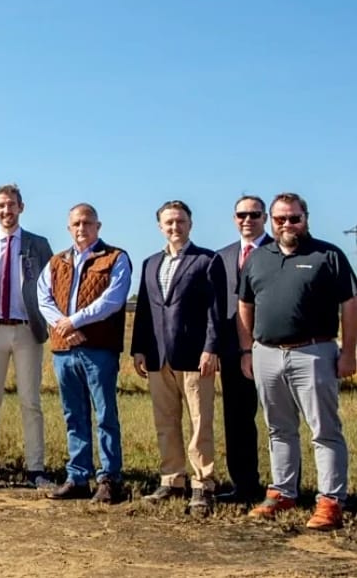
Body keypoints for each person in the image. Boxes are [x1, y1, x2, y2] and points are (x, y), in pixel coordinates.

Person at [239, 192, 356, 531]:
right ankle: (282, 492)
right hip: (267, 354)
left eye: (294, 218)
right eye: (281, 219)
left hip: (314, 352)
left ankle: (330, 500)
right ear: (272, 222)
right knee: (278, 428)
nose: (287, 224)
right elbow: (245, 304)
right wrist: (247, 350)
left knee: (324, 430)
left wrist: (349, 352)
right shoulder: (258, 258)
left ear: (306, 218)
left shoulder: (328, 255)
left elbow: (350, 305)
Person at [130, 200, 226, 512]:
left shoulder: (207, 260)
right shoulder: (150, 263)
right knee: (165, 420)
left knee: (200, 422)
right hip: (158, 356)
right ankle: (172, 479)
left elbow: (215, 310)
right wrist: (139, 348)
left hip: (195, 357)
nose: (175, 227)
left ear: (190, 224)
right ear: (160, 226)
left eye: (180, 221)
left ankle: (202, 484)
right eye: (169, 222)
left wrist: (211, 348)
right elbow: (144, 310)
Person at [38, 203, 131, 504]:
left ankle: (110, 479)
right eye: (76, 223)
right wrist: (64, 327)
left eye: (87, 223)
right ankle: (78, 477)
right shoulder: (56, 262)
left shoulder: (116, 258)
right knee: (74, 415)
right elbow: (43, 298)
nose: (82, 228)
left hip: (99, 349)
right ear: (69, 228)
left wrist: (74, 321)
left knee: (105, 415)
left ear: (98, 226)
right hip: (64, 350)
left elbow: (112, 300)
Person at [0, 184, 54, 490]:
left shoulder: (38, 245)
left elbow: (49, 285)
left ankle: (36, 469)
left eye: (12, 205)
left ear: (21, 207)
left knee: (31, 402)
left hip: (28, 330)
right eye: (1, 206)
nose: (7, 211)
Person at [214, 195, 272, 504]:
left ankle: (285, 487)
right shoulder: (222, 256)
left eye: (254, 214)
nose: (247, 220)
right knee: (237, 420)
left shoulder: (279, 251)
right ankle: (244, 485)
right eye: (241, 215)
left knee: (280, 421)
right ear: (234, 218)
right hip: (232, 351)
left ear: (265, 218)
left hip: (273, 347)